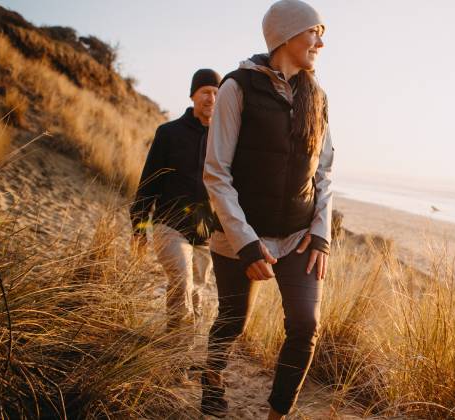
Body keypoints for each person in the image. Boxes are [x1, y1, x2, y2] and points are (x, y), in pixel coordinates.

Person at [200, 0, 334, 417]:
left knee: (305, 326)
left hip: (298, 237)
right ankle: (211, 380)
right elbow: (216, 172)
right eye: (314, 32)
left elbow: (324, 171)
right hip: (240, 235)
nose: (321, 43)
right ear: (285, 34)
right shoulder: (236, 87)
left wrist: (321, 233)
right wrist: (245, 242)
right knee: (232, 321)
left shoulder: (317, 96)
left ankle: (278, 414)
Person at [130, 69, 221, 340]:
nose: (211, 98)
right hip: (169, 225)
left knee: (196, 293)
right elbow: (148, 183)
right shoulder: (169, 133)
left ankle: (179, 347)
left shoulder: (224, 139)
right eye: (205, 92)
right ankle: (177, 352)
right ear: (193, 95)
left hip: (204, 232)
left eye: (216, 93)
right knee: (182, 282)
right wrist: (139, 228)